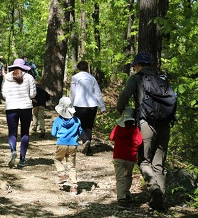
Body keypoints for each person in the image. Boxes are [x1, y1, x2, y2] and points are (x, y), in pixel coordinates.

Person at [117, 52, 169, 211]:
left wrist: (121, 110)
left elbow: (124, 95)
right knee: (158, 163)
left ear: (138, 65)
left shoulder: (136, 78)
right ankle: (159, 199)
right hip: (165, 124)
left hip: (146, 123)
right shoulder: (162, 79)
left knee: (144, 160)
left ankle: (154, 189)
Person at [1, 58, 37, 168]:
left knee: (12, 133)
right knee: (25, 133)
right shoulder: (29, 77)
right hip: (26, 108)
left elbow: (4, 95)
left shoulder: (6, 78)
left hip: (11, 108)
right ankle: (22, 159)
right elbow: (33, 95)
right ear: (24, 67)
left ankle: (13, 151)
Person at [69, 61, 106, 156]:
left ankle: (85, 140)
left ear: (78, 68)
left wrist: (70, 104)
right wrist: (102, 107)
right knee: (88, 127)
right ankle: (88, 150)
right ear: (87, 68)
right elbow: (98, 93)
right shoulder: (92, 78)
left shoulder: (75, 78)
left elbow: (72, 93)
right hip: (92, 106)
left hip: (79, 105)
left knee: (77, 125)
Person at [110, 107, 143, 209]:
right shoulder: (135, 129)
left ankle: (121, 199)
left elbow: (111, 137)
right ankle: (126, 193)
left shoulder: (118, 128)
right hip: (130, 157)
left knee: (120, 178)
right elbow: (139, 142)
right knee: (128, 176)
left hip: (118, 157)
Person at [51, 97, 82, 195]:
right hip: (73, 145)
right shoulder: (77, 120)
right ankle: (74, 187)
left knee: (57, 159)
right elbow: (80, 132)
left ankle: (62, 174)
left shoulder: (57, 120)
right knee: (71, 165)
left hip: (61, 143)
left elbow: (53, 133)